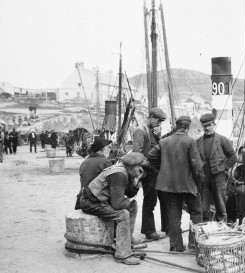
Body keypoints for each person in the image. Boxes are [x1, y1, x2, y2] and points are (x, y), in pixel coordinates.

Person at [79, 152, 148, 265]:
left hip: (101, 200)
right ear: (132, 166)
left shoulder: (127, 170)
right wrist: (127, 200)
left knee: (133, 206)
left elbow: (128, 195)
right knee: (123, 214)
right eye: (139, 167)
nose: (141, 170)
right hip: (90, 202)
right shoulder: (118, 174)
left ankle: (126, 241)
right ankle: (122, 253)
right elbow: (117, 204)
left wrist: (136, 181)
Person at [148, 116, 204, 252]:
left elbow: (150, 156)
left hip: (169, 185)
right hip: (187, 184)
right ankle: (194, 245)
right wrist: (199, 182)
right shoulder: (190, 141)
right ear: (188, 127)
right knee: (196, 212)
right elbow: (197, 166)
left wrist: (161, 169)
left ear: (177, 126)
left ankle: (175, 245)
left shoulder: (164, 141)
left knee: (174, 214)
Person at [132, 107, 168, 241]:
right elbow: (138, 154)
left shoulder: (154, 132)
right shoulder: (140, 131)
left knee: (165, 199)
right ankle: (149, 231)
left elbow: (161, 148)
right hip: (149, 172)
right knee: (150, 201)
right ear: (151, 118)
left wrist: (159, 137)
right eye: (158, 121)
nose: (159, 124)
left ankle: (167, 227)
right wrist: (150, 167)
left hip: (159, 171)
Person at [196, 113, 237, 222]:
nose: (207, 128)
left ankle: (221, 227)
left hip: (219, 176)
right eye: (204, 126)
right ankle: (206, 227)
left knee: (220, 205)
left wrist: (224, 168)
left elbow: (233, 157)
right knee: (204, 207)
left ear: (214, 124)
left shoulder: (223, 140)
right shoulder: (198, 142)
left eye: (209, 125)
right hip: (203, 176)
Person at [75, 136, 113, 210]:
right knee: (124, 210)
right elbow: (112, 185)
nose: (110, 149)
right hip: (95, 200)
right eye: (108, 147)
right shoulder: (106, 162)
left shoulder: (85, 162)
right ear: (102, 149)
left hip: (81, 199)